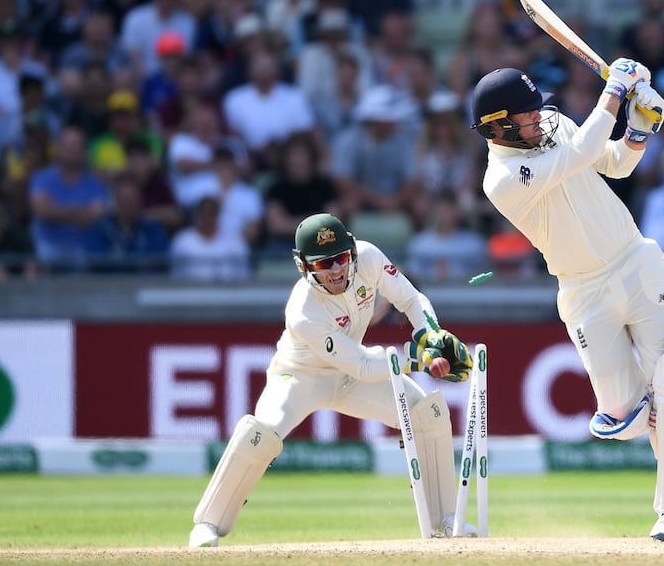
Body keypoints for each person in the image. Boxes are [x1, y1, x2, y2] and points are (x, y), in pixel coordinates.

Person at [469, 61, 664, 544]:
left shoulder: (554, 126)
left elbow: (615, 162)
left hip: (636, 262)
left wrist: (640, 129)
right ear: (498, 125)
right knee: (623, 416)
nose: (539, 119)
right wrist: (616, 91)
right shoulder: (500, 179)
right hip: (583, 291)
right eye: (526, 115)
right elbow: (582, 150)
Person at [188, 212, 475, 547]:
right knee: (261, 432)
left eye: (340, 258)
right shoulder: (303, 310)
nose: (337, 270)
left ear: (351, 250)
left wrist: (431, 335)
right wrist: (417, 358)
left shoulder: (367, 257)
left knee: (428, 413)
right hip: (298, 377)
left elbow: (410, 298)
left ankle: (444, 520)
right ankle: (208, 524)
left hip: (351, 375)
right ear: (305, 267)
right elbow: (365, 366)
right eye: (324, 264)